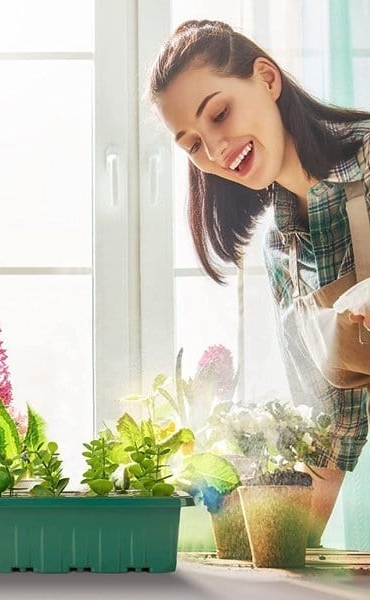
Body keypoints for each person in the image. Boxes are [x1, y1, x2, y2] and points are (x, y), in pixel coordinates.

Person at [147, 19, 370, 547]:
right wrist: (281, 550)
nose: (216, 149)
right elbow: (329, 435)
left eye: (219, 114)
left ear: (267, 79)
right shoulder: (283, 253)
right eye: (194, 145)